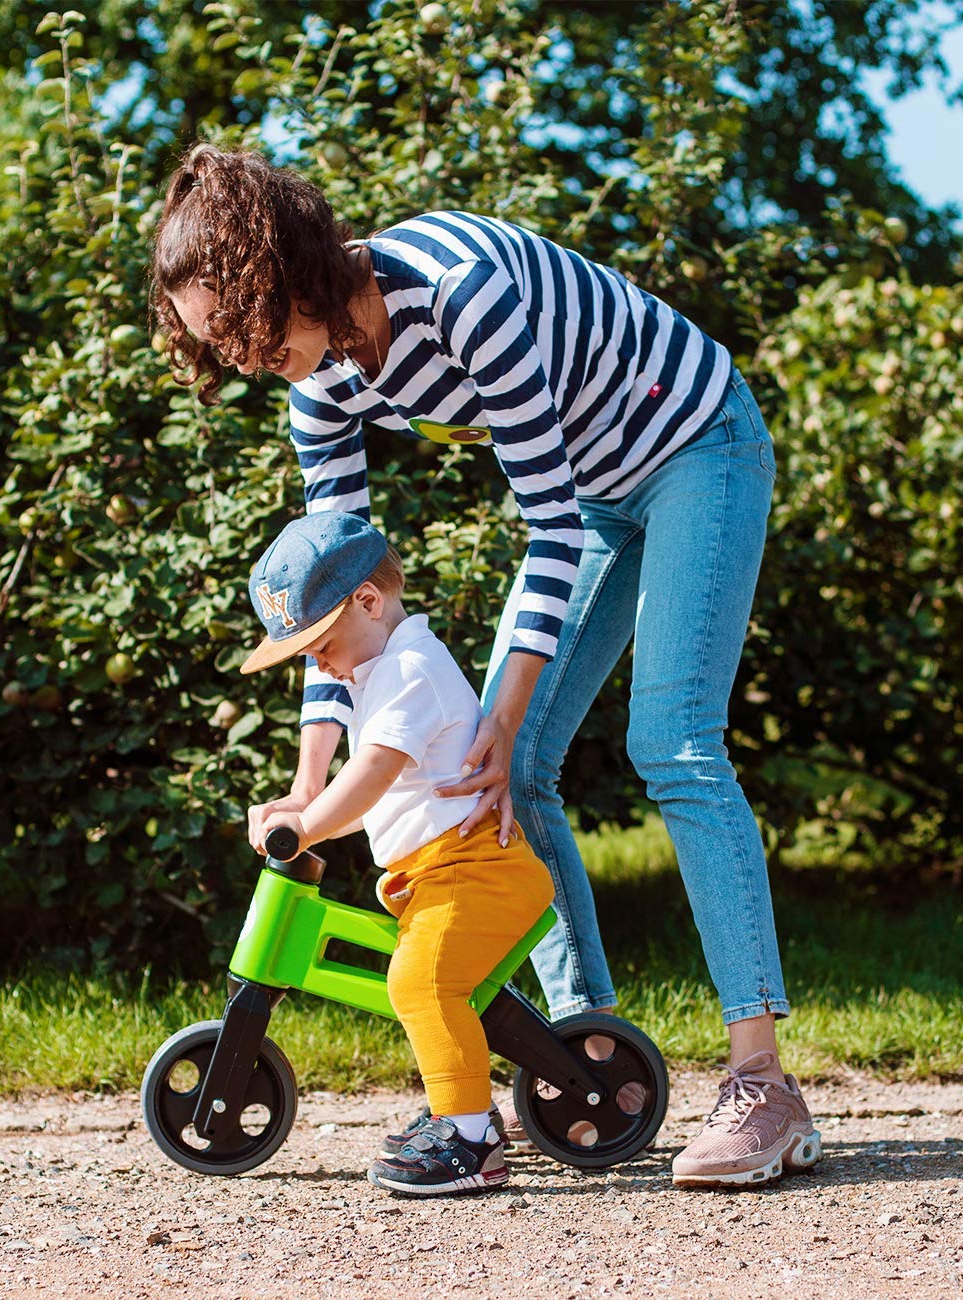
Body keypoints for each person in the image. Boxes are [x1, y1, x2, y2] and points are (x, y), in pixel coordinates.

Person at [151, 145, 821, 1188]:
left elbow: (544, 526)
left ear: (288, 274)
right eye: (215, 346)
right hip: (598, 490)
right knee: (508, 768)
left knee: (670, 740)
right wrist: (309, 778)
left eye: (243, 329)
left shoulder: (462, 297)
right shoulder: (317, 381)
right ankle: (577, 1055)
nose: (239, 358)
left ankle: (762, 1085)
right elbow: (337, 596)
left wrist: (501, 717)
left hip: (695, 441)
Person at [240, 510, 555, 1196]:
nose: (313, 660)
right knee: (431, 982)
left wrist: (308, 827)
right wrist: (304, 804)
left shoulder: (412, 668)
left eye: (319, 643)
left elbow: (374, 775)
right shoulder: (381, 671)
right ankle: (460, 1104)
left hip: (476, 872)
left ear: (368, 602)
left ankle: (471, 1138)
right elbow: (382, 796)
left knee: (420, 983)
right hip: (445, 873)